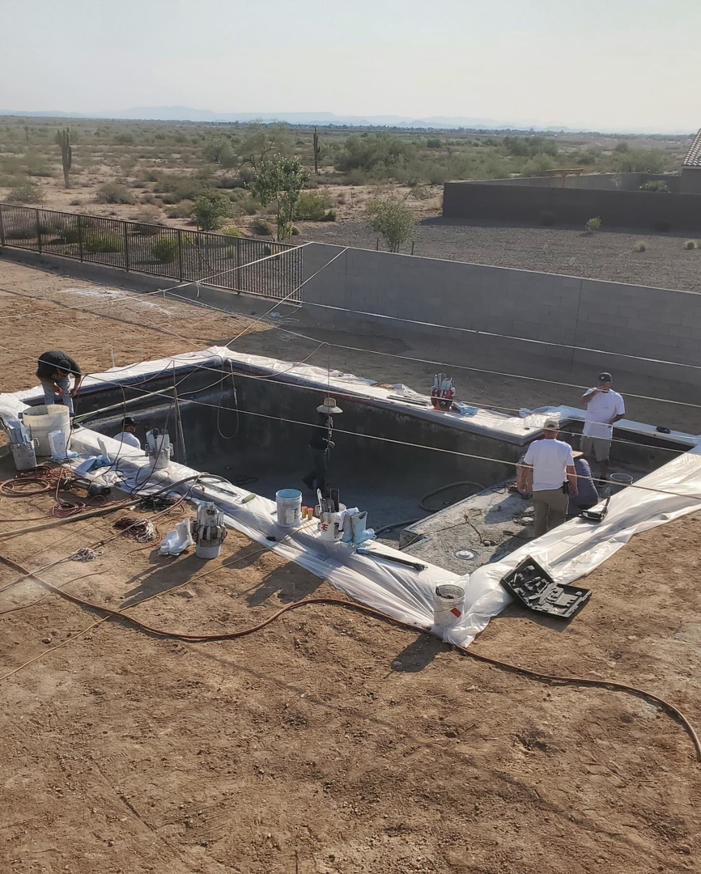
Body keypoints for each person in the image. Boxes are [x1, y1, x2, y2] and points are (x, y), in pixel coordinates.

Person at [522, 418, 578, 537]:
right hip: (558, 491)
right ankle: (553, 544)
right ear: (558, 431)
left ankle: (538, 545)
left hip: (539, 490)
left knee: (539, 520)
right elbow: (571, 469)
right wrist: (574, 485)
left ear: (543, 431)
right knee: (558, 519)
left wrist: (522, 482)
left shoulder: (535, 445)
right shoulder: (565, 447)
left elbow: (526, 466)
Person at [581, 371, 625, 483]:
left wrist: (612, 420)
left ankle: (603, 476)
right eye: (600, 382)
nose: (602, 384)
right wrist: (594, 393)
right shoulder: (591, 392)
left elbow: (621, 413)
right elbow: (583, 401)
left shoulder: (616, 397)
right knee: (583, 455)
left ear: (610, 384)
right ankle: (582, 475)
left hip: (603, 433)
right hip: (588, 431)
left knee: (603, 457)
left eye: (605, 382)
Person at [302, 397, 341, 496]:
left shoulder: (328, 418)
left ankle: (308, 479)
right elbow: (315, 437)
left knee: (322, 469)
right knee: (321, 471)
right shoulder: (320, 421)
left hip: (323, 448)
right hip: (317, 448)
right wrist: (327, 442)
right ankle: (321, 490)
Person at [36, 350, 82, 416]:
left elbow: (78, 376)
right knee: (49, 395)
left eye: (65, 375)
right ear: (57, 368)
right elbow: (38, 375)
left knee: (66, 393)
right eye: (60, 374)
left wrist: (75, 389)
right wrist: (52, 386)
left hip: (55, 363)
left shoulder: (73, 365)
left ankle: (70, 414)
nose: (61, 377)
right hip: (47, 373)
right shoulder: (46, 367)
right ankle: (50, 415)